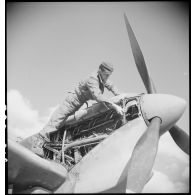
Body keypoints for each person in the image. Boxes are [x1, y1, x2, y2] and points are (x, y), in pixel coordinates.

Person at [21, 62, 124, 157]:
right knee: (56, 121)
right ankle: (37, 144)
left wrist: (121, 95)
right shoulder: (92, 79)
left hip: (78, 104)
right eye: (106, 75)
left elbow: (111, 86)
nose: (107, 77)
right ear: (100, 71)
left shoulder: (102, 78)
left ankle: (54, 143)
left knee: (65, 124)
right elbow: (97, 95)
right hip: (70, 102)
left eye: (109, 75)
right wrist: (114, 106)